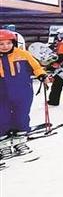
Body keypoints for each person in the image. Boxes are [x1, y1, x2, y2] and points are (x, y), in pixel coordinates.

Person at [0, 29, 47, 159]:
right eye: (1, 44)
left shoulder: (23, 54)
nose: (5, 46)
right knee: (2, 117)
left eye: (8, 43)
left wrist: (41, 75)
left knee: (21, 115)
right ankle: (3, 144)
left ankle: (20, 142)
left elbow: (36, 67)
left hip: (22, 90)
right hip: (2, 92)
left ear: (13, 43)